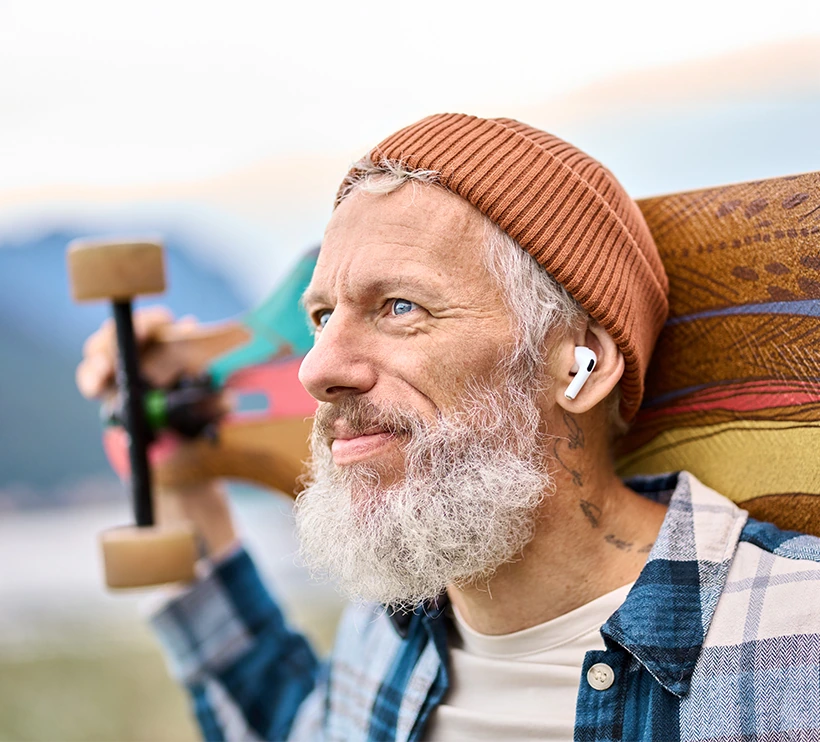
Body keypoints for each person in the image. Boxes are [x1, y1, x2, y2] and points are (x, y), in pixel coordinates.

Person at [77, 113, 820, 741]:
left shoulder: (798, 646)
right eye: (321, 317)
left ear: (580, 367)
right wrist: (179, 481)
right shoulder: (391, 634)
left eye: (400, 307)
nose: (315, 369)